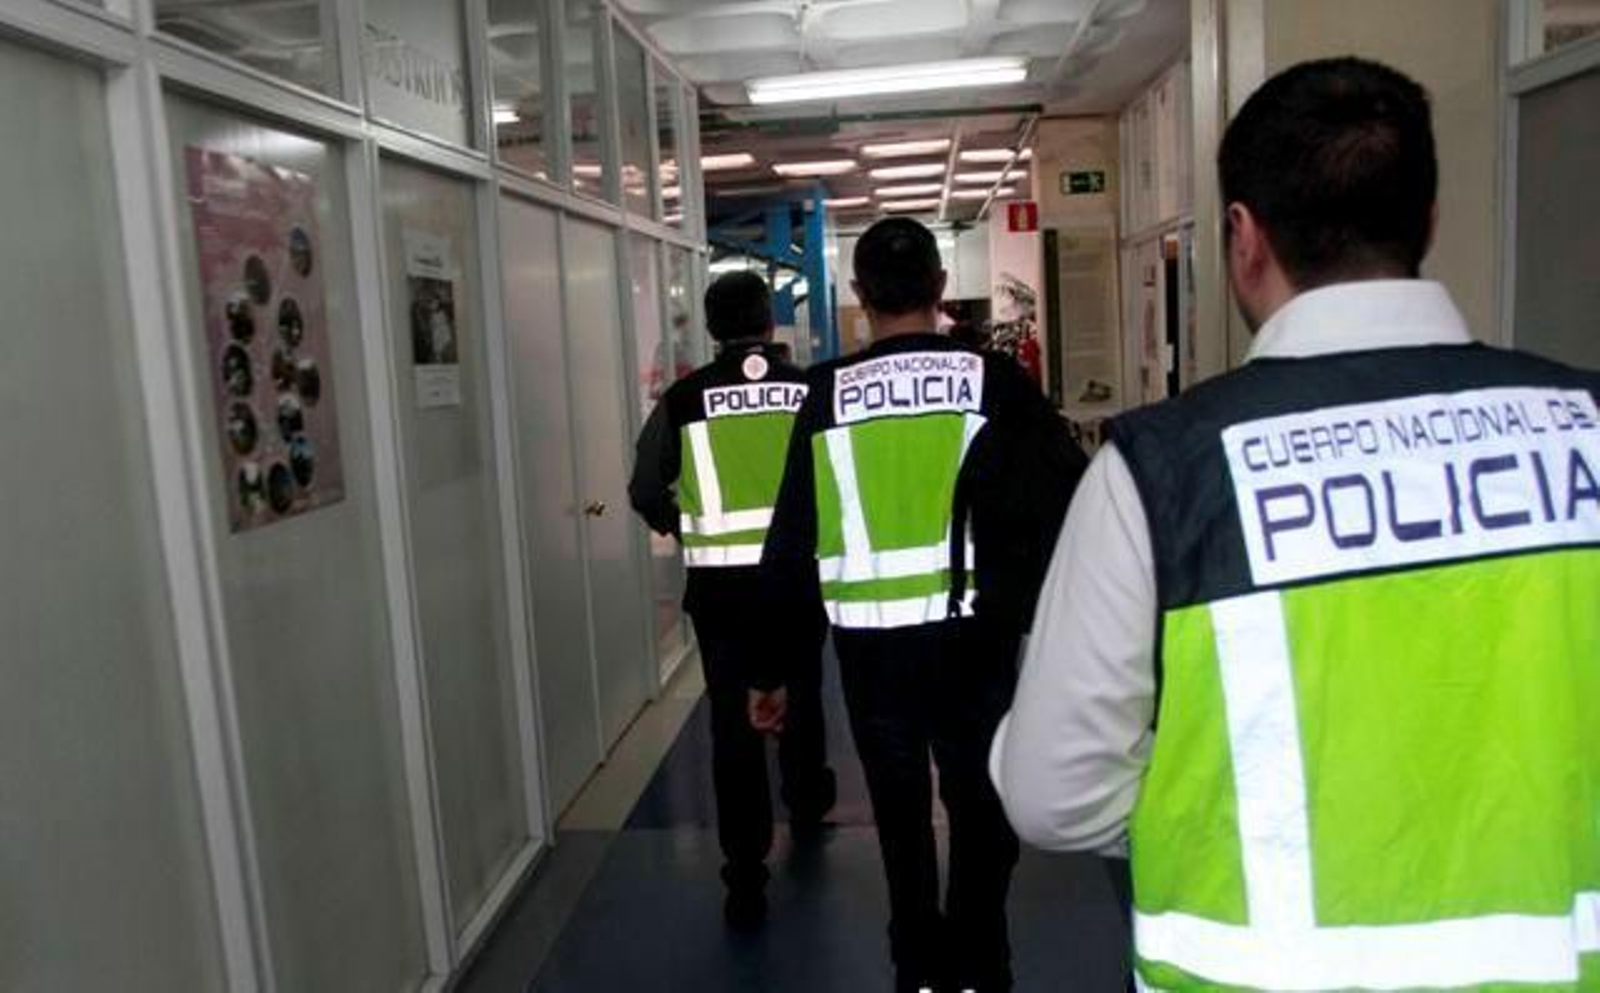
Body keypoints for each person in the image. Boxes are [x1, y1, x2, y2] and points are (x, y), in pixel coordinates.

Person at [991, 57, 1600, 992]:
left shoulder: (1162, 472)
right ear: (1426, 221)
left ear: (1242, 236)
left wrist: (1205, 805)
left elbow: (1052, 795)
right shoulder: (1588, 429)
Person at [756, 218, 1076, 993]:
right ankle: (981, 961)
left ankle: (918, 969)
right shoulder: (998, 383)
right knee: (979, 808)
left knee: (901, 821)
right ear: (939, 287)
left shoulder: (827, 396)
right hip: (977, 642)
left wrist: (772, 673)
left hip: (874, 654)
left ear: (860, 297)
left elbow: (791, 540)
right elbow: (1071, 499)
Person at [628, 270, 836, 929]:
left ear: (714, 330)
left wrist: (682, 522)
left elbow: (642, 486)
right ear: (770, 325)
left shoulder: (683, 399)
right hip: (799, 580)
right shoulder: (810, 391)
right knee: (802, 690)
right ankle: (805, 802)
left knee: (731, 727)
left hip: (722, 592)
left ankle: (745, 874)